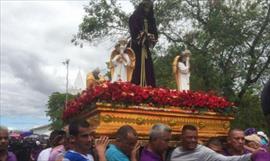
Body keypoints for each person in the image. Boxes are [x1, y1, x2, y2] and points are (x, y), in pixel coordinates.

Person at [170, 125, 251, 161]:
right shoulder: (175, 152)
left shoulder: (203, 151)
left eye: (195, 137)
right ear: (182, 138)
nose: (193, 140)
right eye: (189, 137)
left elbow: (226, 160)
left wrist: (251, 155)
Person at [129, 0, 158, 87]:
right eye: (145, 7)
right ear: (142, 7)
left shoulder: (150, 20)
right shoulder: (134, 17)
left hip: (145, 48)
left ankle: (148, 88)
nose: (147, 10)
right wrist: (142, 35)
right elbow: (134, 31)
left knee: (148, 68)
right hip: (135, 47)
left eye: (149, 8)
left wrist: (151, 37)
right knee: (136, 67)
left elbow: (154, 33)